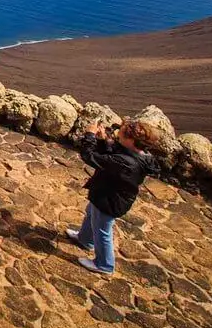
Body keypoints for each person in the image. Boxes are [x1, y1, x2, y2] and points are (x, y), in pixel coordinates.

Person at [66, 118, 162, 275]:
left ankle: (104, 264)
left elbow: (90, 156)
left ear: (131, 140)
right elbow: (114, 152)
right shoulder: (141, 155)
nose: (117, 136)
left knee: (103, 229)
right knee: (92, 213)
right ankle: (85, 239)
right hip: (107, 193)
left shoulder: (125, 162)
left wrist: (90, 136)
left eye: (121, 135)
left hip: (110, 199)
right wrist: (104, 141)